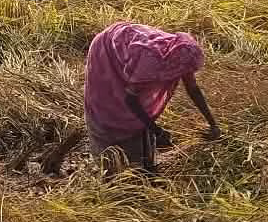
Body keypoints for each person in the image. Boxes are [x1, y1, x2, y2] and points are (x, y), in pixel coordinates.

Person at [83, 20, 221, 170]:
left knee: (140, 119)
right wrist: (156, 130)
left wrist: (213, 124)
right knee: (113, 106)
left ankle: (145, 159)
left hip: (130, 46)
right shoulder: (151, 63)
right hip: (107, 49)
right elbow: (130, 99)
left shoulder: (183, 54)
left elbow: (193, 89)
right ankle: (115, 164)